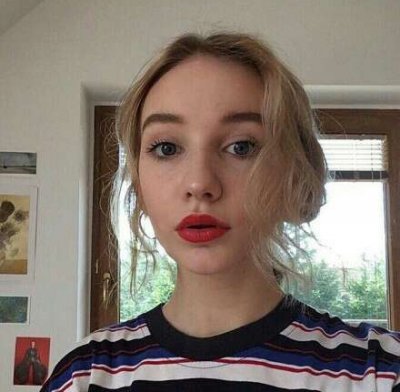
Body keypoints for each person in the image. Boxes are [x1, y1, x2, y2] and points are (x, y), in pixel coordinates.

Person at [40, 31, 400, 391]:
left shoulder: (379, 372)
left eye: (241, 146)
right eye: (166, 148)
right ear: (139, 183)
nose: (199, 183)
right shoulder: (84, 376)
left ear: (291, 175)